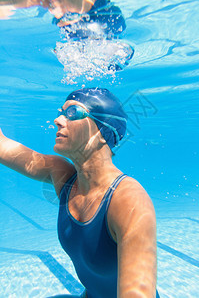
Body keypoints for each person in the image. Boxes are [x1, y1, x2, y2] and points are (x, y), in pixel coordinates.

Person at [0, 88, 160, 297]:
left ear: (102, 133)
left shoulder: (129, 201)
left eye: (73, 112)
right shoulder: (63, 176)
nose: (58, 120)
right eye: (60, 112)